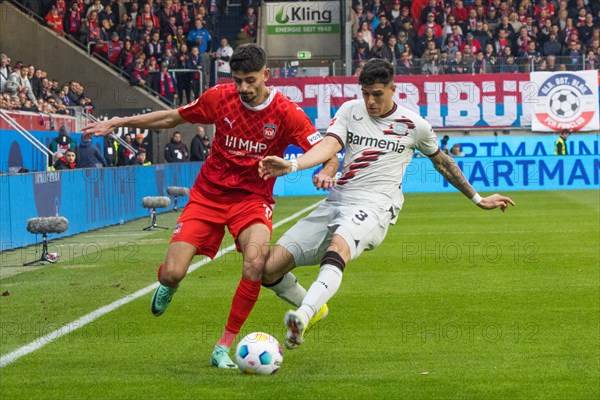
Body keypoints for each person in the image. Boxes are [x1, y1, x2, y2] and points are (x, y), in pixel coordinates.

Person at [82, 43, 338, 369]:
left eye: (250, 80)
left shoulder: (287, 114)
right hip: (208, 196)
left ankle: (223, 346)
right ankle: (168, 285)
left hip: (252, 200)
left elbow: (328, 151)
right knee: (173, 272)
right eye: (238, 80)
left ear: (266, 76)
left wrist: (328, 170)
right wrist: (120, 122)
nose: (243, 88)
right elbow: (171, 118)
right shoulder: (220, 97)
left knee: (255, 263)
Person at [257, 59, 516, 350]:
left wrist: (478, 199)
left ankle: (302, 317)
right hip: (337, 201)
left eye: (377, 94)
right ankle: (315, 306)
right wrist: (293, 166)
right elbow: (329, 146)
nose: (370, 100)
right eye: (365, 93)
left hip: (377, 207)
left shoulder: (415, 126)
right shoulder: (348, 111)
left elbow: (443, 163)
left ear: (393, 89)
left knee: (338, 248)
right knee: (268, 269)